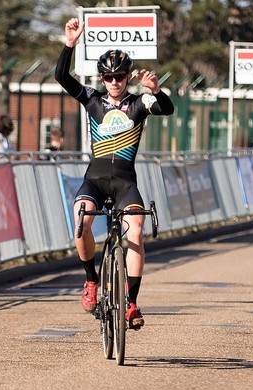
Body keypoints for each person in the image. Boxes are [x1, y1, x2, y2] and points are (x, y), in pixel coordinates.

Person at [56, 17, 175, 329]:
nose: (114, 82)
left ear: (128, 76)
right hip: (94, 180)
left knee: (135, 232)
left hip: (125, 182)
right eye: (108, 77)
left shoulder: (139, 104)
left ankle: (131, 303)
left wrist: (157, 90)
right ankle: (91, 280)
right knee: (81, 221)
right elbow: (61, 76)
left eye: (120, 76)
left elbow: (167, 110)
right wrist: (70, 44)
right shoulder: (92, 100)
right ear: (102, 78)